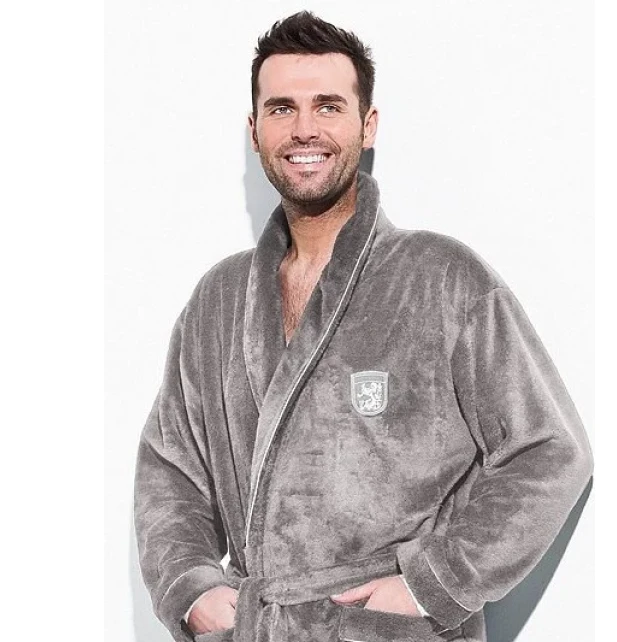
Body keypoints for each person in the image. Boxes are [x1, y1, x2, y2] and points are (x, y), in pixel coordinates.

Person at [134, 11, 593, 642]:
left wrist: (433, 585)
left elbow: (551, 449)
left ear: (367, 124)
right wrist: (192, 591)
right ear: (255, 130)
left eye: (328, 106)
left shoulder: (441, 278)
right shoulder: (218, 299)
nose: (304, 128)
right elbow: (170, 469)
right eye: (281, 108)